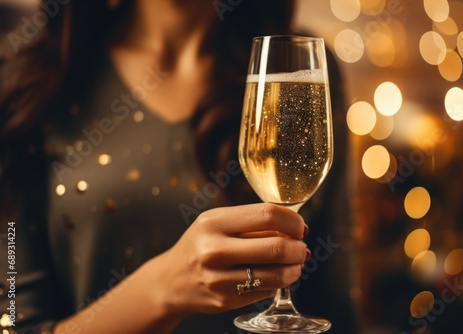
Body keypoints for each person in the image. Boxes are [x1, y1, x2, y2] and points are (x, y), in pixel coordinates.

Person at [0, 0, 359, 333]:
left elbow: (332, 297)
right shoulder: (28, 84)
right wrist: (164, 290)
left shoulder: (297, 66)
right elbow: (16, 322)